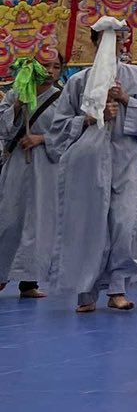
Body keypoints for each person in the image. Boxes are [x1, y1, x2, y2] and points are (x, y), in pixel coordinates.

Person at [45, 18, 137, 314]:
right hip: (88, 164)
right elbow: (59, 128)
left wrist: (126, 99)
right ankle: (87, 291)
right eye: (107, 38)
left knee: (124, 223)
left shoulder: (136, 76)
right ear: (94, 42)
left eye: (118, 38)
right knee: (90, 225)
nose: (114, 44)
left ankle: (118, 288)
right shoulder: (77, 82)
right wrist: (90, 119)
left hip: (125, 160)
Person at [0, 38, 66, 298]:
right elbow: (2, 128)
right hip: (17, 165)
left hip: (45, 168)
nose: (50, 71)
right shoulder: (16, 93)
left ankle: (29, 281)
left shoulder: (63, 98)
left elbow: (69, 133)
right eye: (46, 65)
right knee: (9, 219)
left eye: (56, 67)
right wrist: (18, 105)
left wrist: (42, 139)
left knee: (38, 222)